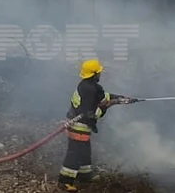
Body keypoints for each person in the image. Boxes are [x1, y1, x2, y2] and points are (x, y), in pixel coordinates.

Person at [58, 59, 139, 191]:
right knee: (75, 154)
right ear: (94, 74)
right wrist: (104, 108)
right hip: (79, 125)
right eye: (99, 72)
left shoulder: (88, 85)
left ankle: (85, 176)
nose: (100, 74)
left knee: (84, 152)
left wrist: (121, 98)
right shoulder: (89, 89)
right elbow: (89, 113)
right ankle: (64, 181)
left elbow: (103, 96)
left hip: (81, 125)